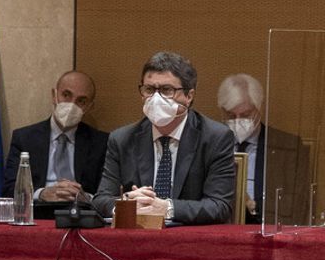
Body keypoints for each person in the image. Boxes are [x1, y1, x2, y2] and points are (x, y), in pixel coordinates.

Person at [91, 51, 236, 225]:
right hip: (136, 240)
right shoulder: (122, 139)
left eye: (167, 90)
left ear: (189, 96)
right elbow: (100, 201)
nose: (156, 99)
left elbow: (219, 206)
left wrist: (167, 208)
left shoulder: (216, 137)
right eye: (149, 90)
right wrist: (126, 203)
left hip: (189, 241)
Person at [217, 73, 312, 225]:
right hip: (221, 227)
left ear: (259, 108)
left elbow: (300, 204)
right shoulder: (212, 143)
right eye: (230, 115)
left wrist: (253, 207)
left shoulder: (289, 147)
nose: (238, 121)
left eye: (246, 114)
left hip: (267, 229)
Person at [1, 70, 107, 202]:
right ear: (54, 95)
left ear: (90, 107)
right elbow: (9, 190)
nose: (71, 104)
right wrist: (41, 194)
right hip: (38, 215)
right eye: (66, 95)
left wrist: (86, 198)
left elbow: (108, 194)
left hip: (80, 215)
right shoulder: (24, 138)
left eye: (81, 101)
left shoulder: (102, 143)